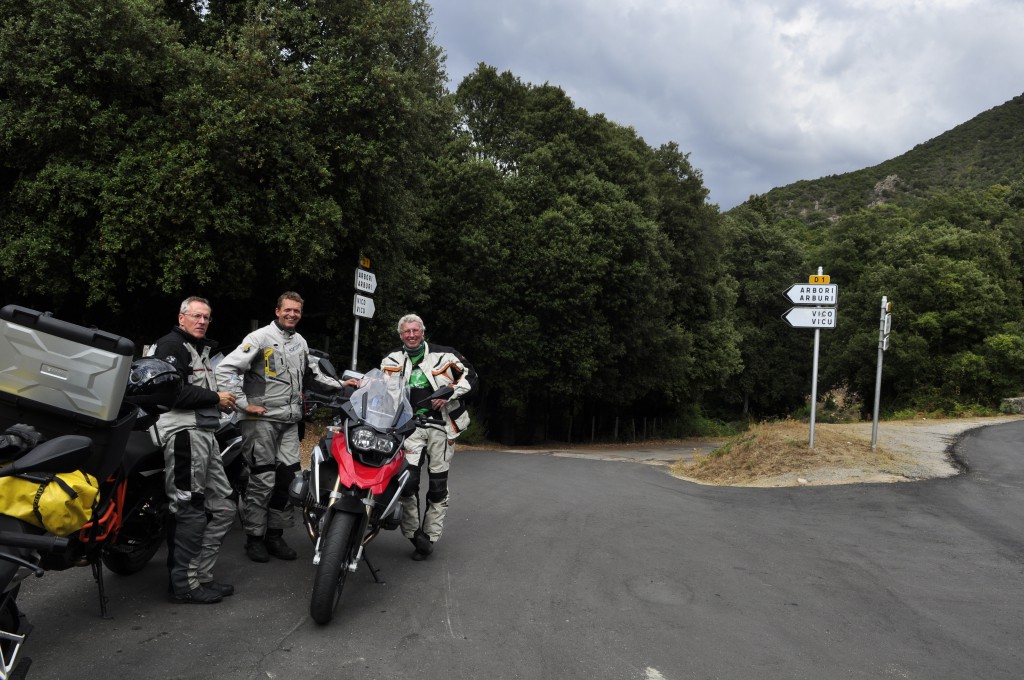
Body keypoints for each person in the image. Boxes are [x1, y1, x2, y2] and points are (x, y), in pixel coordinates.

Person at [215, 292, 343, 563]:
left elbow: (313, 374)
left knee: (289, 480)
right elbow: (225, 369)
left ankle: (275, 535)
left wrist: (343, 385)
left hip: (289, 422)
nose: (292, 314)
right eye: (288, 310)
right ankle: (254, 538)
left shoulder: (300, 342)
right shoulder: (259, 338)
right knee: (262, 480)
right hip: (260, 422)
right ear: (277, 311)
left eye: (296, 311)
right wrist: (241, 403)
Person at [152, 296, 237, 604]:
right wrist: (216, 397)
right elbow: (171, 393)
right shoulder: (171, 346)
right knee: (189, 510)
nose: (202, 321)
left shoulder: (199, 350)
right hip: (184, 434)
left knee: (225, 507)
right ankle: (184, 585)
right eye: (196, 316)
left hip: (205, 434)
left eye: (206, 317)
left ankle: (201, 575)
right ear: (181, 318)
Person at [380, 314, 475, 560]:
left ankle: (430, 536)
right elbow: (379, 392)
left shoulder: (445, 355)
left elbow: (471, 378)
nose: (411, 335)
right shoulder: (391, 359)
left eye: (415, 331)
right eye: (406, 332)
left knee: (437, 487)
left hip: (442, 426)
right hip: (408, 428)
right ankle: (414, 536)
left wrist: (451, 392)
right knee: (407, 484)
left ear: (423, 332)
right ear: (400, 335)